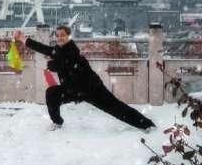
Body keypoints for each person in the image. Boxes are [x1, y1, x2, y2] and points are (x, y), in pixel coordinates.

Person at [14, 25, 155, 131]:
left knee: (116, 108)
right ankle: (57, 122)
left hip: (91, 88)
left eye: (62, 35)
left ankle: (147, 125)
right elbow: (44, 48)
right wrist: (23, 39)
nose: (59, 38)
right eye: (57, 36)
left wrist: (51, 64)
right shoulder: (57, 50)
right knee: (52, 93)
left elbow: (61, 63)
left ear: (68, 36)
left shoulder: (72, 50)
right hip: (72, 89)